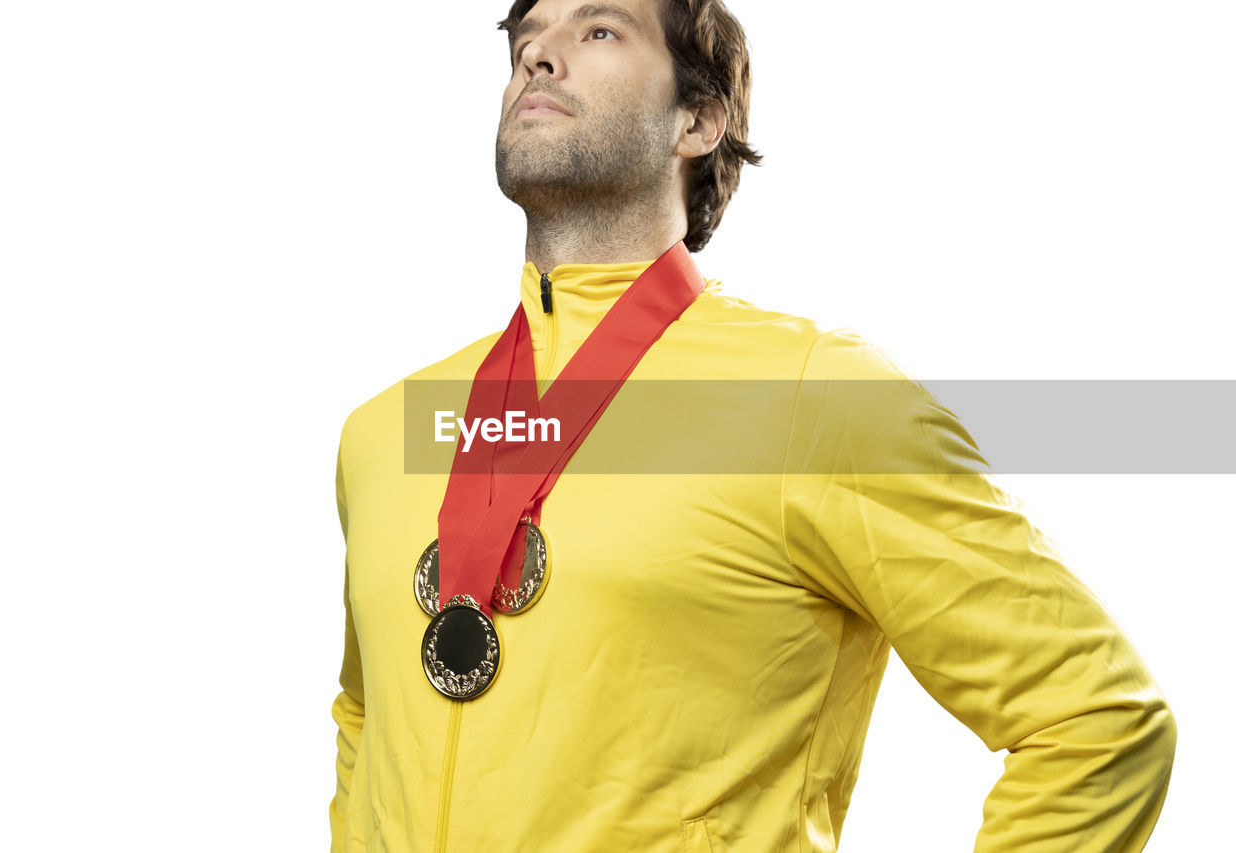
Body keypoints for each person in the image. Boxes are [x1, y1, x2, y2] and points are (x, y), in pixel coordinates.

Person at [327, 0, 1177, 850]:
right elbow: (367, 720)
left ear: (697, 120)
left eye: (597, 30)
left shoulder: (814, 400)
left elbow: (1099, 724)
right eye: (527, 36)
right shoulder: (388, 433)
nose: (538, 56)